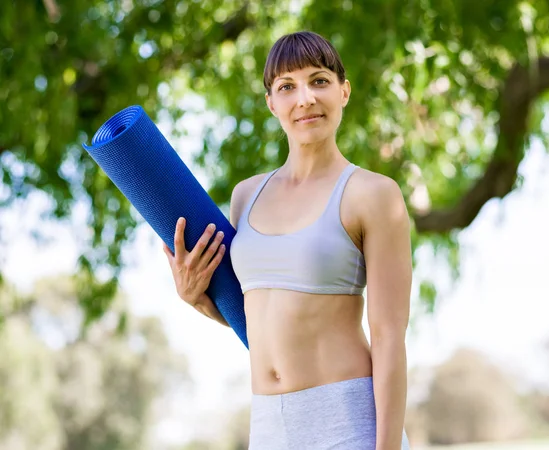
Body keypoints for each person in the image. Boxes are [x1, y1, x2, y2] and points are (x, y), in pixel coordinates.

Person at [163, 31, 412, 450]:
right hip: (268, 427)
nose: (305, 99)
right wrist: (196, 299)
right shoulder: (246, 195)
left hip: (347, 423)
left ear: (343, 91)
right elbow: (259, 320)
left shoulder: (373, 194)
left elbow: (388, 337)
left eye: (319, 81)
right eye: (287, 87)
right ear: (271, 103)